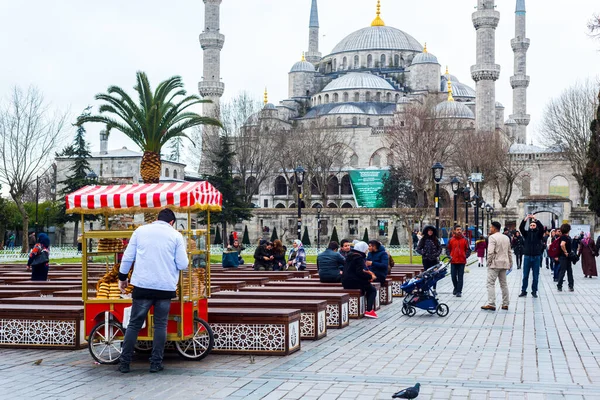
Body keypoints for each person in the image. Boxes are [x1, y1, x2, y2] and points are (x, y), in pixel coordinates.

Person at [117, 208, 188, 374]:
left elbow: (128, 257)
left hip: (142, 285)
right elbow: (183, 264)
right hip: (165, 287)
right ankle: (156, 363)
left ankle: (125, 362)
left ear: (157, 218)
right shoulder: (176, 235)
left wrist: (122, 278)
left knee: (134, 324)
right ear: (172, 222)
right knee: (160, 325)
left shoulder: (140, 231)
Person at [341, 241, 378, 319]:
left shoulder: (350, 255)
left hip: (345, 281)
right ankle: (369, 310)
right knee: (372, 290)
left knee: (367, 286)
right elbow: (359, 272)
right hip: (353, 281)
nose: (366, 251)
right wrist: (369, 277)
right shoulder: (358, 257)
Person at [481, 222, 513, 311]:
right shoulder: (506, 238)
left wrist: (488, 262)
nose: (490, 229)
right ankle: (505, 303)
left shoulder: (492, 237)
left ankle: (491, 303)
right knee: (504, 284)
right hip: (504, 263)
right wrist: (510, 263)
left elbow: (490, 251)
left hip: (495, 263)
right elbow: (509, 251)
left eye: (491, 227)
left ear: (494, 229)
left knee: (490, 283)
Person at [518, 214, 545, 298]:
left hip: (536, 256)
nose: (532, 226)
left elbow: (541, 228)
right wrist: (525, 219)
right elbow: (521, 228)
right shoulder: (526, 234)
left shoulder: (539, 234)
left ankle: (534, 291)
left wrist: (535, 219)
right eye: (531, 225)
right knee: (525, 275)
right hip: (527, 256)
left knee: (535, 275)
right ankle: (523, 290)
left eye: (534, 225)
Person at [446, 225, 470, 297]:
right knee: (453, 276)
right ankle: (456, 288)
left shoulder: (465, 240)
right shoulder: (451, 240)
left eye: (460, 229)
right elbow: (448, 249)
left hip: (462, 261)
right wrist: (449, 256)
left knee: (460, 277)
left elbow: (468, 249)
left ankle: (459, 291)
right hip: (453, 261)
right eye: (457, 230)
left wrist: (465, 256)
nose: (459, 231)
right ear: (454, 231)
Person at [556, 224, 574, 292]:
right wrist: (565, 252)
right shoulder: (564, 237)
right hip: (564, 256)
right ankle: (561, 286)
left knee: (567, 271)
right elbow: (562, 244)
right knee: (564, 271)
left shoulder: (565, 236)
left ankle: (570, 285)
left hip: (565, 256)